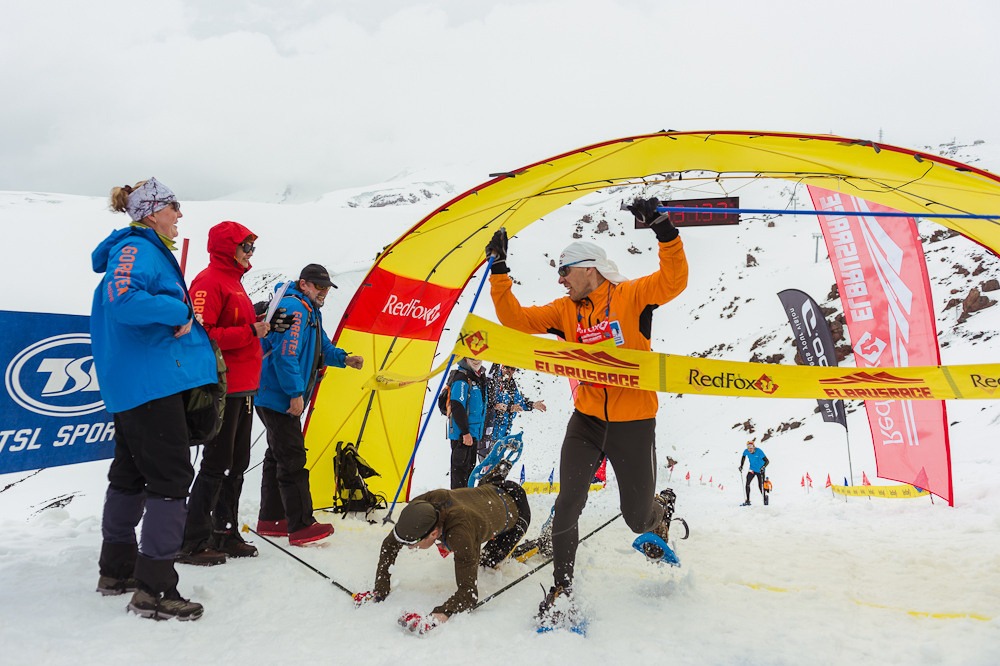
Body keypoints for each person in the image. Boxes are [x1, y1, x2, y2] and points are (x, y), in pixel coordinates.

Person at [485, 196, 688, 624]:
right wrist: (499, 271)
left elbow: (673, 281)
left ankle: (660, 512)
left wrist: (664, 230)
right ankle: (562, 589)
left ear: (590, 269)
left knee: (637, 520)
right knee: (568, 503)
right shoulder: (565, 311)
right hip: (588, 421)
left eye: (565, 271)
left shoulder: (631, 295)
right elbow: (515, 320)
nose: (560, 280)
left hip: (634, 424)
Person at [91, 177, 218, 621]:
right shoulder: (137, 248)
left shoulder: (139, 248)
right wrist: (180, 310)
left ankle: (117, 571)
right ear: (151, 211)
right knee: (170, 481)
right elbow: (124, 301)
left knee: (129, 476)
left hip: (138, 385)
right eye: (173, 205)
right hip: (150, 385)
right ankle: (155, 589)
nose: (180, 214)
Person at [177, 221, 290, 566]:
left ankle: (224, 532)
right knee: (216, 463)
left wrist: (262, 323)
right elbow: (201, 334)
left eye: (252, 247)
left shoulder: (233, 281)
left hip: (244, 386)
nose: (250, 253)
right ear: (228, 248)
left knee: (236, 464)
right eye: (245, 246)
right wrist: (251, 330)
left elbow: (236, 325)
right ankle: (192, 541)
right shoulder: (209, 281)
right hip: (222, 387)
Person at [254, 264, 364, 546]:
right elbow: (285, 354)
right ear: (304, 284)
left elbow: (321, 347)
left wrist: (344, 359)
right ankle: (301, 525)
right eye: (319, 286)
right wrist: (295, 393)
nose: (324, 292)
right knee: (292, 458)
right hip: (279, 395)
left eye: (327, 287)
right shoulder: (295, 308)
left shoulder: (309, 309)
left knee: (278, 454)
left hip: (273, 394)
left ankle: (272, 519)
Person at [352, 472, 531, 635]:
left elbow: (468, 593)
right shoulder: (419, 506)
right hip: (492, 490)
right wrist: (380, 590)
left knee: (486, 563)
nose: (408, 547)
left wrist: (441, 613)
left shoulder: (460, 534)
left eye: (412, 544)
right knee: (472, 546)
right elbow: (390, 544)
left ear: (433, 534)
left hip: (517, 510)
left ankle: (535, 547)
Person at [481, 365, 547, 462]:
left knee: (496, 464)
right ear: (502, 367)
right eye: (507, 367)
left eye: (513, 369)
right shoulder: (494, 382)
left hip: (503, 435)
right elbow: (489, 403)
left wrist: (533, 405)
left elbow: (519, 402)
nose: (509, 370)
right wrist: (507, 408)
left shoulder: (511, 385)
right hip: (490, 432)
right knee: (486, 463)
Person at [444, 357, 488, 488]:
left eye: (479, 357)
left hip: (472, 434)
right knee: (460, 474)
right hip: (462, 436)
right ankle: (458, 499)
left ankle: (466, 498)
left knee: (469, 472)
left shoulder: (476, 378)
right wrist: (465, 433)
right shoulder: (462, 378)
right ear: (465, 359)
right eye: (472, 358)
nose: (476, 360)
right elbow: (457, 406)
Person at [739, 441, 769, 506]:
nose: (749, 450)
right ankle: (748, 500)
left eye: (751, 448)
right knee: (747, 483)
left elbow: (767, 461)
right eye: (748, 448)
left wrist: (763, 467)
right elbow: (743, 457)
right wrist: (741, 466)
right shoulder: (746, 451)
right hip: (752, 469)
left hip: (760, 471)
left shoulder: (759, 451)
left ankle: (765, 498)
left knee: (760, 486)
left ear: (754, 447)